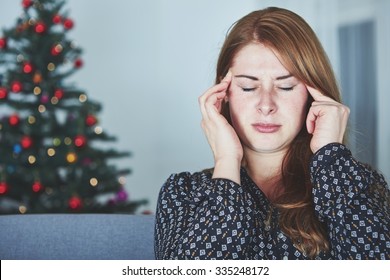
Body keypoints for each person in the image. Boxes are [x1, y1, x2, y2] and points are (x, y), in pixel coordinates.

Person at [154, 7, 390, 260]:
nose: (266, 105)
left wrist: (330, 155)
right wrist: (226, 161)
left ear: (313, 96)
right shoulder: (183, 192)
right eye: (247, 86)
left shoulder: (358, 184)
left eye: (286, 86)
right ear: (224, 95)